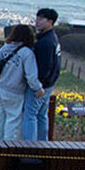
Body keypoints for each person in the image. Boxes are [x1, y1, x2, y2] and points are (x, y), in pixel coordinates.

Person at [0, 23, 42, 141]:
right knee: (13, 121)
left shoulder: (6, 47)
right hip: (15, 91)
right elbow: (31, 77)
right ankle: (8, 147)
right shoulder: (27, 53)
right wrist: (38, 89)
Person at [22, 7, 60, 140]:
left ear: (50, 21)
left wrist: (38, 86)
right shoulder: (52, 38)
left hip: (40, 86)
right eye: (36, 18)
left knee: (30, 115)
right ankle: (42, 144)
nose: (37, 21)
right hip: (49, 84)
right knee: (41, 115)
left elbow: (45, 67)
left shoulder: (46, 42)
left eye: (41, 19)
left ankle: (30, 145)